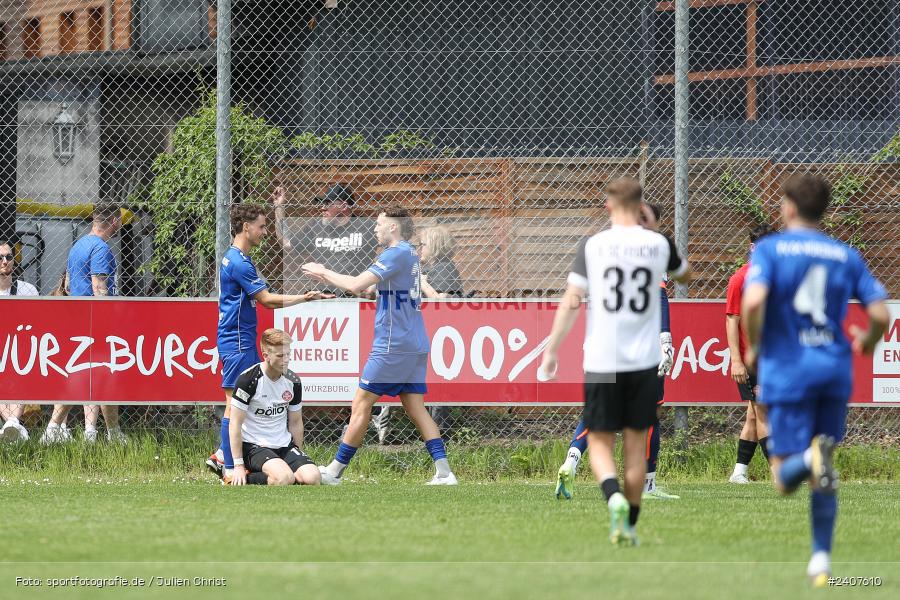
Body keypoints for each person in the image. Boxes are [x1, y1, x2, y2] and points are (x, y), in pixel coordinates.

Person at [742, 174, 888, 586]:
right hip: (833, 369)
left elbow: (753, 301)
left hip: (789, 369)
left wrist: (755, 345)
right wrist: (870, 342)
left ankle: (808, 459)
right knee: (826, 466)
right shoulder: (844, 255)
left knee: (786, 476)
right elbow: (880, 313)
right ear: (823, 211)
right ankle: (821, 560)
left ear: (789, 206)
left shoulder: (770, 250)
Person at [539, 177, 690, 546]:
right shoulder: (658, 244)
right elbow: (685, 274)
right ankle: (632, 525)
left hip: (603, 359)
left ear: (608, 205)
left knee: (601, 440)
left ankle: (613, 496)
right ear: (641, 208)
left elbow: (572, 300)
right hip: (643, 362)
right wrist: (657, 237)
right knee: (636, 447)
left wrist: (552, 351)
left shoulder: (593, 245)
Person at [303, 205, 458, 485]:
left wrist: (323, 271)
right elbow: (371, 287)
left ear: (392, 227)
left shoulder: (396, 253)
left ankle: (335, 471)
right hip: (415, 341)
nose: (374, 228)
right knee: (415, 407)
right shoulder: (410, 253)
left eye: (378, 224)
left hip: (393, 343)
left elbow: (354, 285)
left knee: (361, 402)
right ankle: (445, 472)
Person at [554, 202, 679, 501]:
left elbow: (575, 296)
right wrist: (665, 339)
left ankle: (571, 460)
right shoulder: (650, 250)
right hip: (639, 348)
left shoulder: (600, 247)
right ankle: (646, 485)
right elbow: (660, 295)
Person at [207, 203, 331, 483]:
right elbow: (265, 299)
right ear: (246, 227)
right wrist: (304, 297)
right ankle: (227, 465)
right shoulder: (237, 261)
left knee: (239, 401)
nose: (264, 231)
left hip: (240, 339)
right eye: (262, 226)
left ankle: (223, 456)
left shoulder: (237, 257)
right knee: (232, 403)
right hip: (236, 340)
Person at [41, 203, 125, 444]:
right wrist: (109, 322)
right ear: (114, 222)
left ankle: (110, 432)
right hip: (96, 323)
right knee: (103, 374)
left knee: (91, 376)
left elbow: (67, 286)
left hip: (77, 320)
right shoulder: (100, 248)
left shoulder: (78, 246)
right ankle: (55, 427)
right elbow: (99, 288)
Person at [374, 225, 464, 442]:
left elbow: (444, 300)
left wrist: (424, 284)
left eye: (422, 245)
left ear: (434, 246)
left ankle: (438, 432)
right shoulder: (431, 267)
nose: (419, 249)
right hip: (420, 332)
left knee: (434, 384)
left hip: (438, 335)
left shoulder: (444, 269)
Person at [228, 328, 321, 486]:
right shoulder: (248, 380)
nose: (286, 359)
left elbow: (295, 422)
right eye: (280, 355)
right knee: (284, 478)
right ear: (266, 356)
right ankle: (238, 479)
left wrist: (298, 452)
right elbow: (234, 423)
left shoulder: (293, 381)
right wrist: (238, 465)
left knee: (313, 478)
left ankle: (283, 473)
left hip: (284, 445)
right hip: (254, 446)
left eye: (288, 354)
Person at [726, 224, 772, 484]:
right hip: (752, 359)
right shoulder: (740, 279)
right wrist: (736, 360)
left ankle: (739, 471)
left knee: (754, 413)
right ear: (753, 248)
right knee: (763, 411)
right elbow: (731, 319)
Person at [274, 184, 378, 296]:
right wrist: (279, 207)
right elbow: (286, 244)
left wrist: (374, 282)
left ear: (343, 206)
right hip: (325, 295)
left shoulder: (367, 227)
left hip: (356, 295)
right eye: (323, 203)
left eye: (328, 203)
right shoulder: (316, 227)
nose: (322, 207)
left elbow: (389, 251)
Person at [0, 240, 39, 441]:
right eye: (0, 258)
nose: (5, 261)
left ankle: (11, 425)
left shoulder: (28, 290)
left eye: (9, 257)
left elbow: (36, 326)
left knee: (23, 367)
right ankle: (14, 425)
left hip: (20, 350)